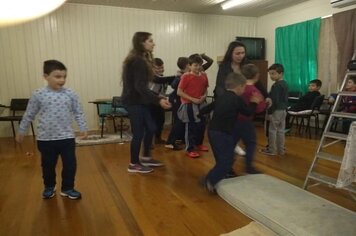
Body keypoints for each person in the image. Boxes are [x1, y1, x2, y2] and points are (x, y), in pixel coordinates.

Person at [16, 60, 88, 200]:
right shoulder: (38, 94)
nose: (62, 80)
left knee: (70, 165)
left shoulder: (70, 94)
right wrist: (21, 131)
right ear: (46, 76)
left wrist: (83, 127)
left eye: (64, 76)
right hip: (45, 139)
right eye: (57, 76)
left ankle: (67, 188)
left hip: (67, 137)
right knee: (48, 165)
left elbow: (78, 112)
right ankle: (49, 187)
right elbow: (29, 114)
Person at [200, 72, 262, 192]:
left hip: (212, 131)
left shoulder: (222, 96)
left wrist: (199, 113)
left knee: (224, 158)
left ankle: (209, 178)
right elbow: (248, 112)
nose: (244, 90)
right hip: (222, 133)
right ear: (239, 87)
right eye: (244, 87)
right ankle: (210, 181)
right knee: (227, 160)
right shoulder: (237, 99)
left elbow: (208, 108)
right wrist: (254, 102)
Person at [121, 32, 171, 174]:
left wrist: (157, 97)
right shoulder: (137, 61)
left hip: (140, 100)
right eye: (150, 41)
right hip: (134, 101)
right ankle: (133, 163)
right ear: (141, 43)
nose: (153, 43)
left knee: (151, 127)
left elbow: (145, 86)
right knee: (138, 133)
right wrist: (159, 99)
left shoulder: (141, 59)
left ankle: (146, 157)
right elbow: (140, 87)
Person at [214, 41, 268, 156]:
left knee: (242, 124)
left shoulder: (247, 64)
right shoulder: (224, 66)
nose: (240, 56)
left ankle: (236, 145)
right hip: (229, 99)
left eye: (242, 53)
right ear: (231, 53)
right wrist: (226, 101)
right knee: (231, 127)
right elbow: (220, 85)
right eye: (237, 53)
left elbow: (256, 81)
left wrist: (267, 96)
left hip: (243, 98)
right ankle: (231, 147)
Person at [234, 64, 267, 173]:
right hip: (245, 122)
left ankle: (228, 168)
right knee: (251, 143)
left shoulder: (238, 88)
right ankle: (248, 167)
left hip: (233, 120)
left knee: (231, 143)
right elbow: (259, 109)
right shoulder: (254, 90)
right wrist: (265, 103)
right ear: (257, 76)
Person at [177, 54, 209, 158]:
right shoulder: (186, 76)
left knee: (202, 125)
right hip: (189, 105)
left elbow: (205, 88)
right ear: (190, 66)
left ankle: (199, 143)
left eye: (200, 65)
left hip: (201, 104)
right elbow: (179, 92)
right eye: (195, 65)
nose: (198, 67)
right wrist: (193, 99)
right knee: (191, 126)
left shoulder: (204, 75)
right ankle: (190, 148)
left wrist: (204, 97)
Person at [260, 63, 289, 156]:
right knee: (281, 131)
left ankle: (272, 150)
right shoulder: (285, 84)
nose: (271, 76)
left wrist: (270, 111)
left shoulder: (276, 85)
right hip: (283, 110)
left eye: (273, 73)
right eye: (270, 74)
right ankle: (281, 150)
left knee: (272, 130)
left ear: (281, 74)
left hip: (275, 110)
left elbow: (274, 101)